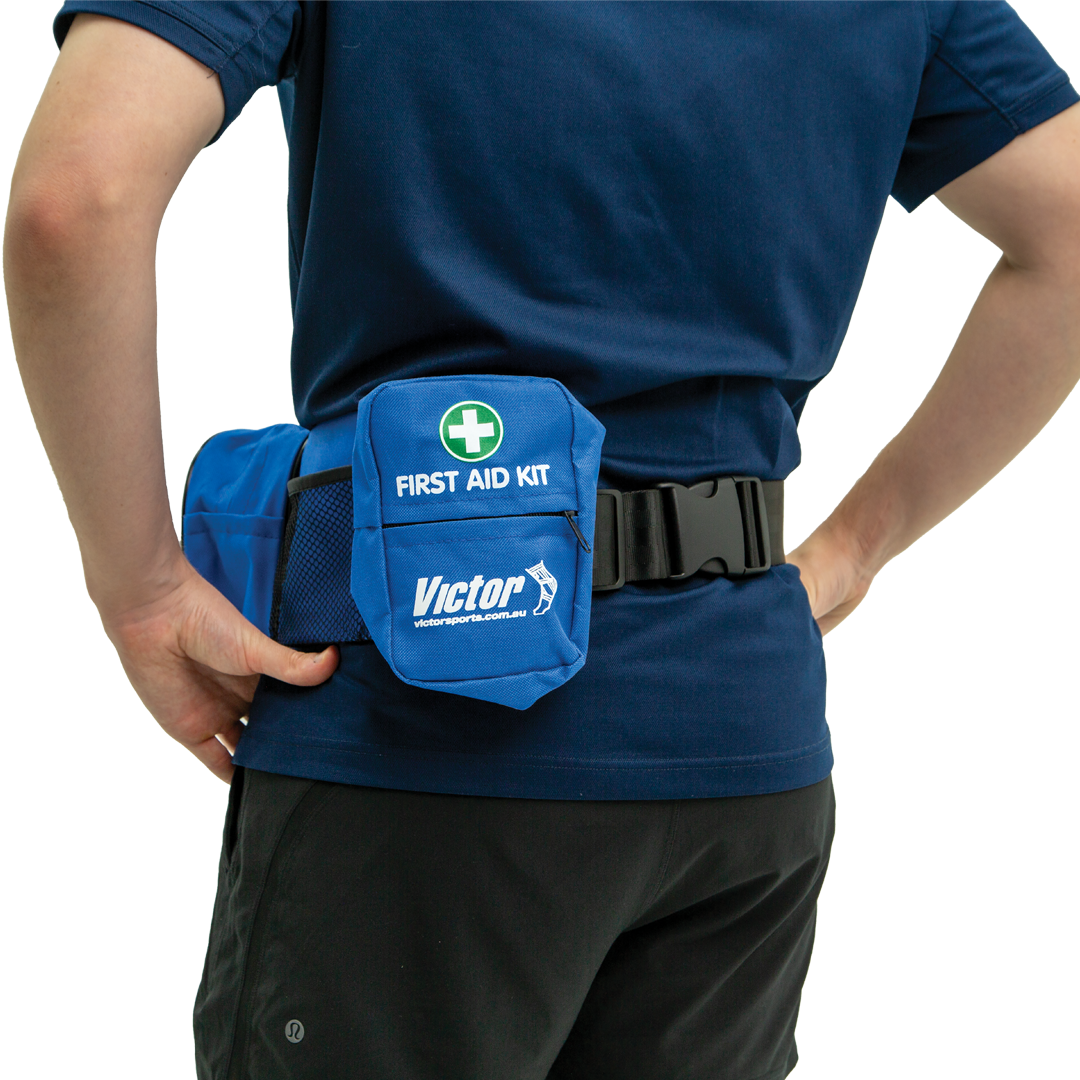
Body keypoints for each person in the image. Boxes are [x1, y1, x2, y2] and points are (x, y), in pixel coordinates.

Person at [6, 3, 1079, 1077]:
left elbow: (75, 200)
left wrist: (142, 589)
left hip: (423, 749)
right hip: (742, 744)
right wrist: (854, 546)